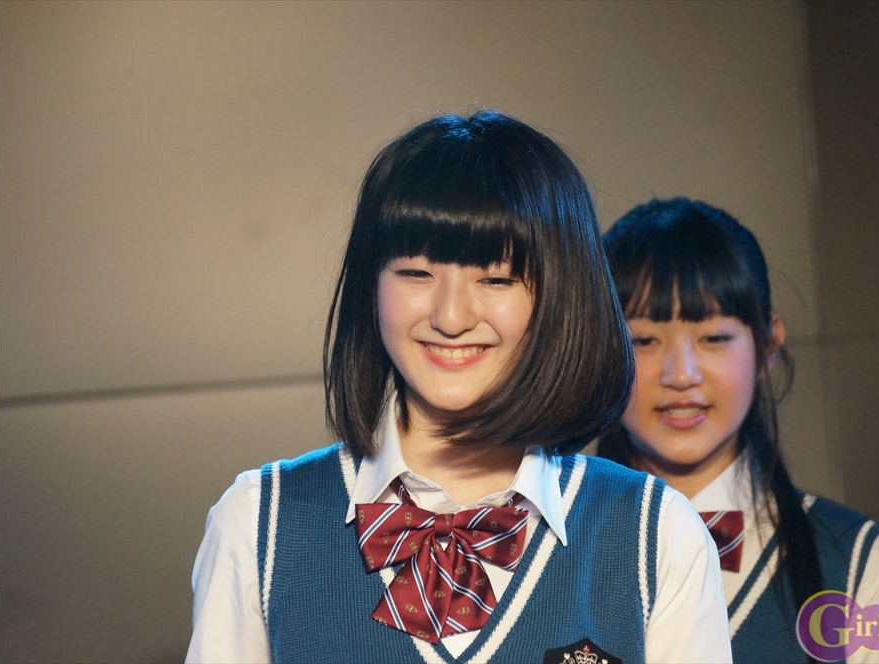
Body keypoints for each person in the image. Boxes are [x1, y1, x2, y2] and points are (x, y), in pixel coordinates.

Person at [186, 113, 731, 663]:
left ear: (560, 296)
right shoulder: (258, 526)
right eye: (416, 273)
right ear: (371, 285)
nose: (451, 317)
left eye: (495, 278)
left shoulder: (656, 537)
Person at [600, 197, 879, 663]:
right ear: (599, 350)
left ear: (768, 344)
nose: (681, 375)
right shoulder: (526, 546)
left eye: (714, 338)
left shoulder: (853, 559)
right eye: (642, 340)